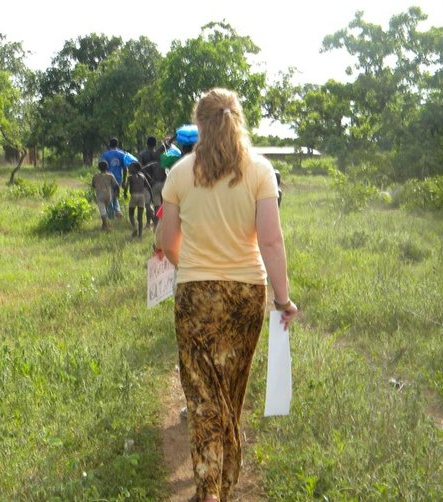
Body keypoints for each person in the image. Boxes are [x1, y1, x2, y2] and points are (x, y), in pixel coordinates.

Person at [161, 88, 298, 502]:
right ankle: (224, 483)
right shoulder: (259, 170)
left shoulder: (180, 173)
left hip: (195, 295)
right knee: (230, 395)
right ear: (239, 120)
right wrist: (282, 299)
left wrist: (193, 269)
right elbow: (271, 242)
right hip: (246, 295)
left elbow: (167, 240)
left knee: (203, 397)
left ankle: (210, 489)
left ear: (199, 124)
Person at [100, 138, 129, 218]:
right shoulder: (122, 154)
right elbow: (125, 168)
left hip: (107, 178)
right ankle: (118, 211)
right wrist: (124, 180)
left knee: (109, 196)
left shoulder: (105, 154)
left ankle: (111, 214)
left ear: (109, 144)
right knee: (115, 196)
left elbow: (102, 166)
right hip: (118, 178)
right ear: (117, 144)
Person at [124, 161, 152, 238]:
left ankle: (134, 228)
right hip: (142, 196)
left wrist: (125, 194)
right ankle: (140, 235)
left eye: (130, 167)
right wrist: (151, 197)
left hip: (134, 195)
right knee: (140, 217)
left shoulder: (130, 177)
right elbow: (149, 187)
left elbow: (126, 187)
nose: (129, 168)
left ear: (135, 169)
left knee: (131, 214)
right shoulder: (142, 176)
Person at [91, 160, 119, 231]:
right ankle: (104, 225)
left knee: (102, 210)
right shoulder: (110, 175)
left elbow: (93, 185)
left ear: (98, 168)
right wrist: (116, 194)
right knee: (105, 209)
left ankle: (106, 226)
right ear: (107, 167)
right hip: (108, 195)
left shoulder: (95, 176)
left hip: (100, 195)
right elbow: (116, 185)